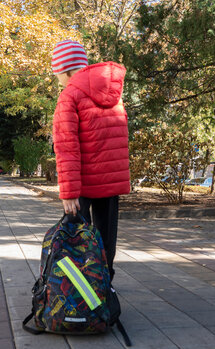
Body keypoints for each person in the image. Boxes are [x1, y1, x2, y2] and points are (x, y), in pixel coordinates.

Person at [51, 40, 130, 281]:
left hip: (83, 186)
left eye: (57, 75)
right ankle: (106, 288)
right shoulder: (114, 95)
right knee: (107, 241)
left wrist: (69, 192)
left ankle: (81, 296)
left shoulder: (70, 95)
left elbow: (67, 147)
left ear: (65, 71)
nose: (57, 80)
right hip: (110, 184)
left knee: (75, 243)